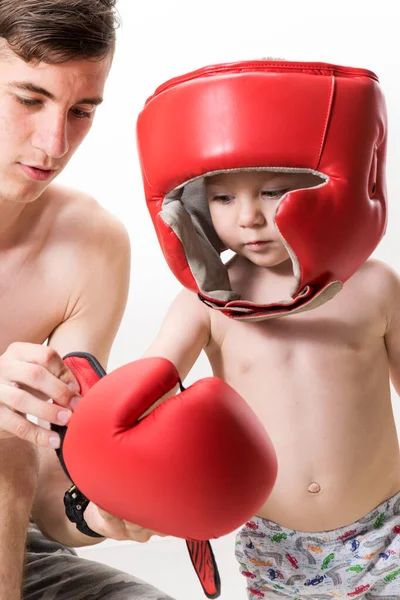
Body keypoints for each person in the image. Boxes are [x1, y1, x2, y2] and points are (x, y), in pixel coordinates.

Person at [135, 61, 400, 598]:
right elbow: (149, 384)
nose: (250, 217)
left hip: (384, 530)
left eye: (274, 192)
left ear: (320, 187)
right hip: (274, 543)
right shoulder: (208, 302)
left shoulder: (372, 285)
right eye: (224, 197)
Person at [0, 1, 174, 598]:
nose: (54, 142)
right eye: (29, 99)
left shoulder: (89, 246)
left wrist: (93, 510)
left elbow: (50, 472)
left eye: (81, 110)